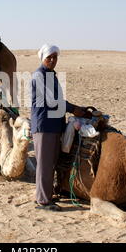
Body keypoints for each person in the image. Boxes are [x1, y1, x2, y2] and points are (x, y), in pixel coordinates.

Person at [31, 44, 85, 212]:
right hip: (44, 125)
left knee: (52, 162)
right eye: (49, 57)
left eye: (55, 57)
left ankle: (46, 194)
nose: (53, 60)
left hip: (54, 124)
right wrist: (75, 109)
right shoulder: (39, 76)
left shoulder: (50, 76)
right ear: (43, 58)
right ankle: (43, 201)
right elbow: (53, 102)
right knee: (45, 164)